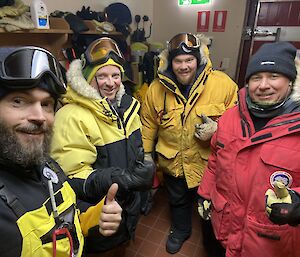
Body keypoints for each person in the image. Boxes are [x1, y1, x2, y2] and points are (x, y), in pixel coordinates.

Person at [0, 46, 122, 257]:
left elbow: (67, 219)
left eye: (46, 104)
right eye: (19, 101)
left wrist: (97, 216)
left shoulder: (47, 166)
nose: (39, 116)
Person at [50, 37, 154, 254]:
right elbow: (69, 177)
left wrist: (142, 182)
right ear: (88, 78)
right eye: (102, 76)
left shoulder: (128, 107)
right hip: (97, 213)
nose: (111, 83)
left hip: (126, 210)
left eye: (116, 75)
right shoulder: (71, 116)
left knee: (121, 248)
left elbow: (136, 151)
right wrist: (120, 179)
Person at [197, 41, 300, 257]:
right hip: (224, 229)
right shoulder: (229, 118)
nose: (263, 85)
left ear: (290, 81)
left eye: (274, 76)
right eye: (256, 77)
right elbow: (215, 159)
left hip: (269, 245)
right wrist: (205, 194)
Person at [140, 32, 238, 254]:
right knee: (178, 201)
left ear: (199, 59)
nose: (183, 66)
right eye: (178, 61)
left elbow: (239, 122)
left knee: (211, 206)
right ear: (169, 61)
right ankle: (181, 229)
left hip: (208, 165)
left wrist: (218, 130)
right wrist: (146, 155)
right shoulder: (156, 88)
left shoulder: (223, 84)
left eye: (189, 60)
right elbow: (147, 124)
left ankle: (211, 238)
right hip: (173, 161)